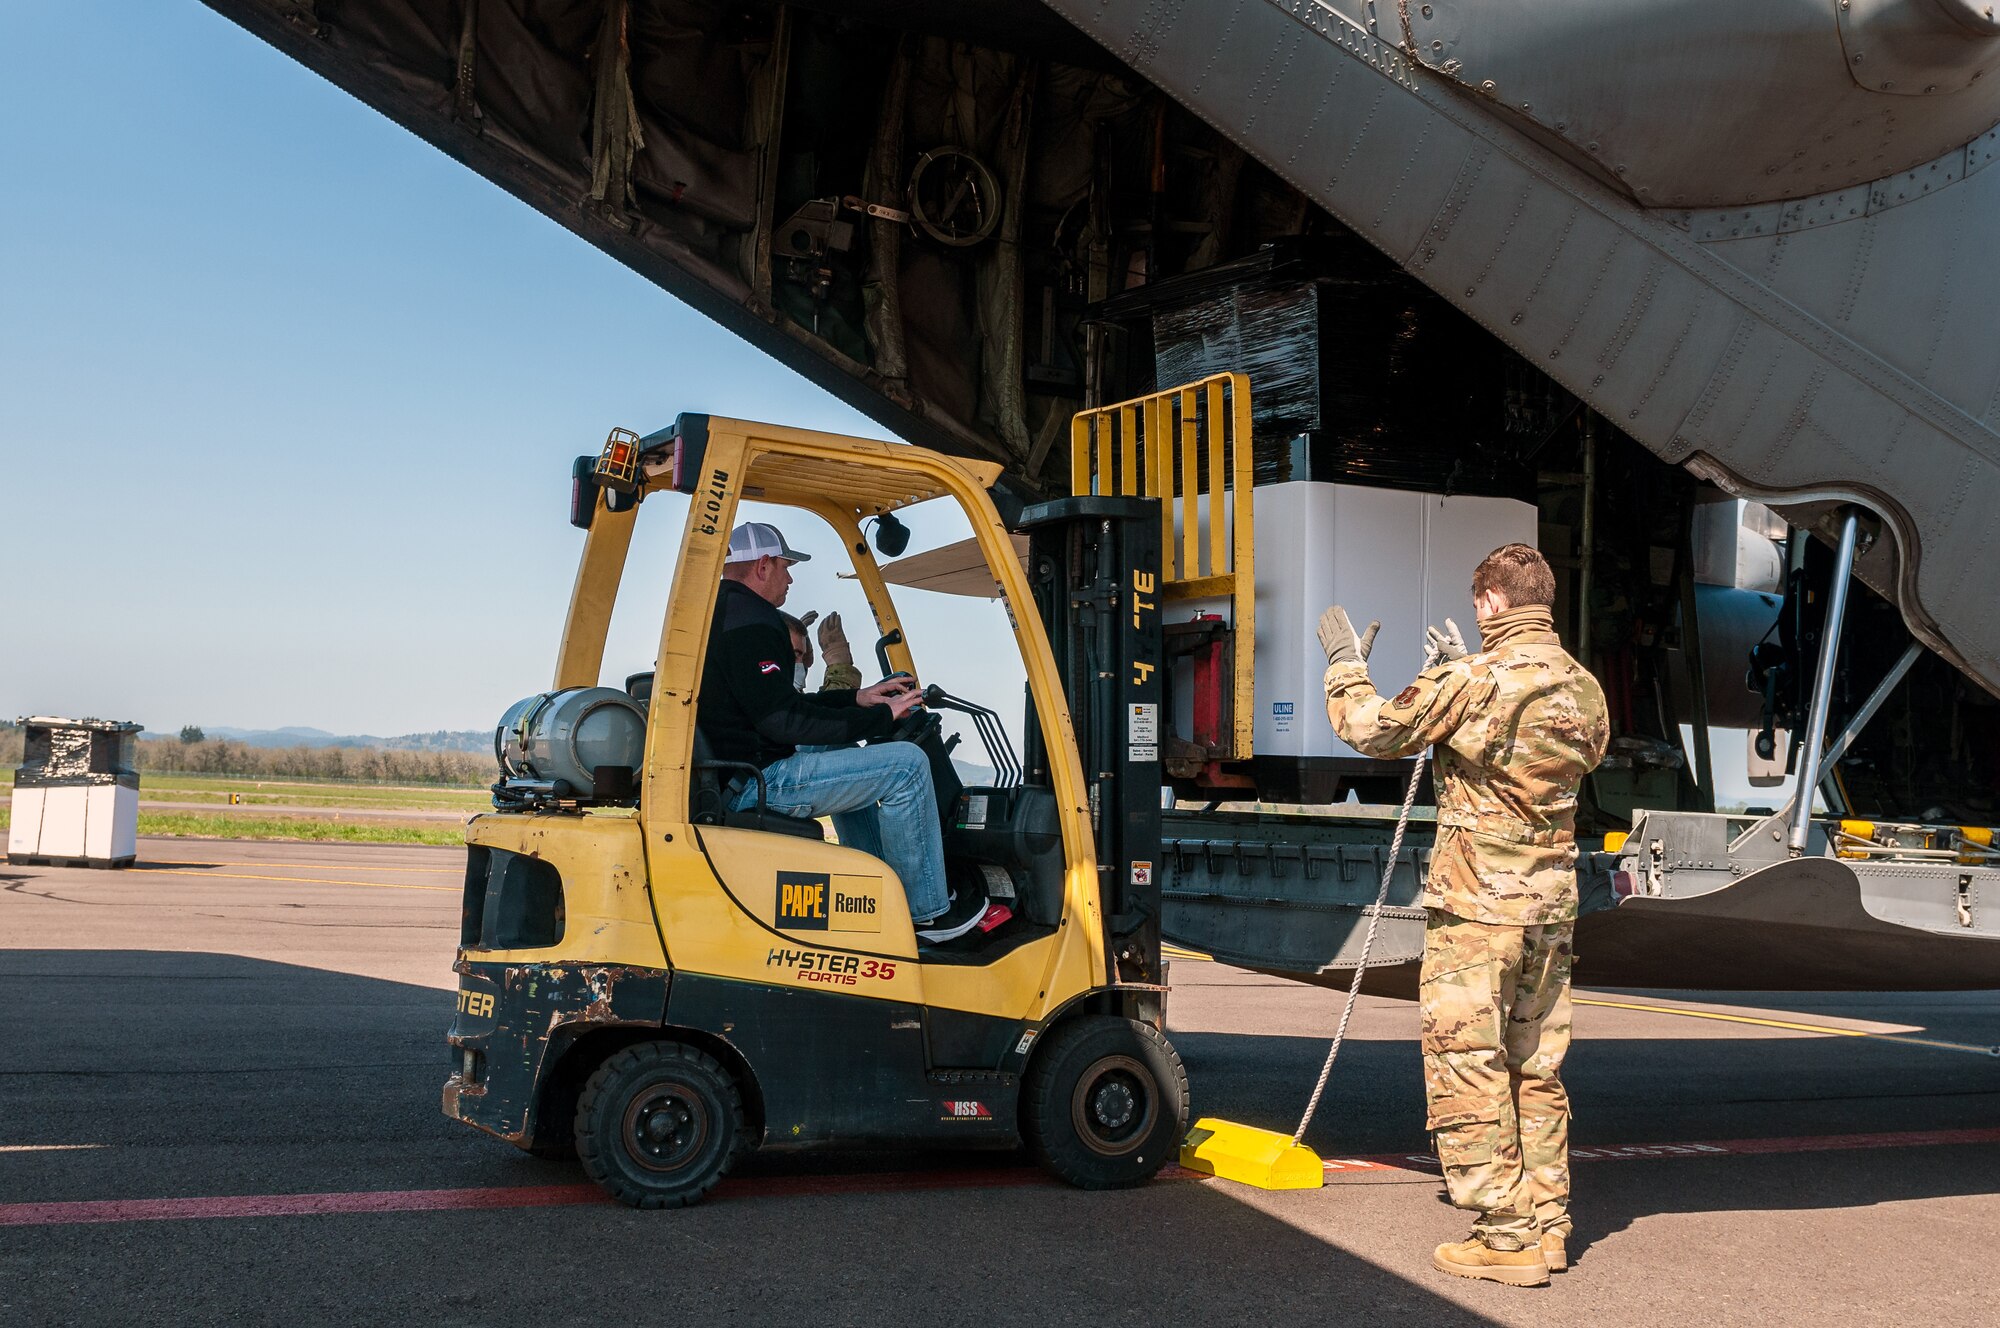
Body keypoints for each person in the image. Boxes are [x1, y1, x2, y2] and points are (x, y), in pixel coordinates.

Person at [1318, 543, 1608, 1288]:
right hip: (1549, 909)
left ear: (1490, 604)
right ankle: (1547, 1226)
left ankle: (1505, 1238)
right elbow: (1549, 763)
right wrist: (1456, 686)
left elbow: (1373, 730)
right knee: (1534, 1069)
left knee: (1466, 1064)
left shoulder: (1474, 679)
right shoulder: (1585, 687)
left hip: (1478, 910)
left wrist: (1346, 664)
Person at [698, 521, 991, 943]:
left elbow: (783, 707)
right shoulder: (756, 622)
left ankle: (880, 884)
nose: (790, 576)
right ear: (762, 565)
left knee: (833, 742)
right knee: (908, 766)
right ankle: (926, 913)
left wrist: (860, 699)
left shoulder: (720, 613)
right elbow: (783, 722)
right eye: (785, 565)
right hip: (761, 782)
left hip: (737, 773)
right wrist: (884, 718)